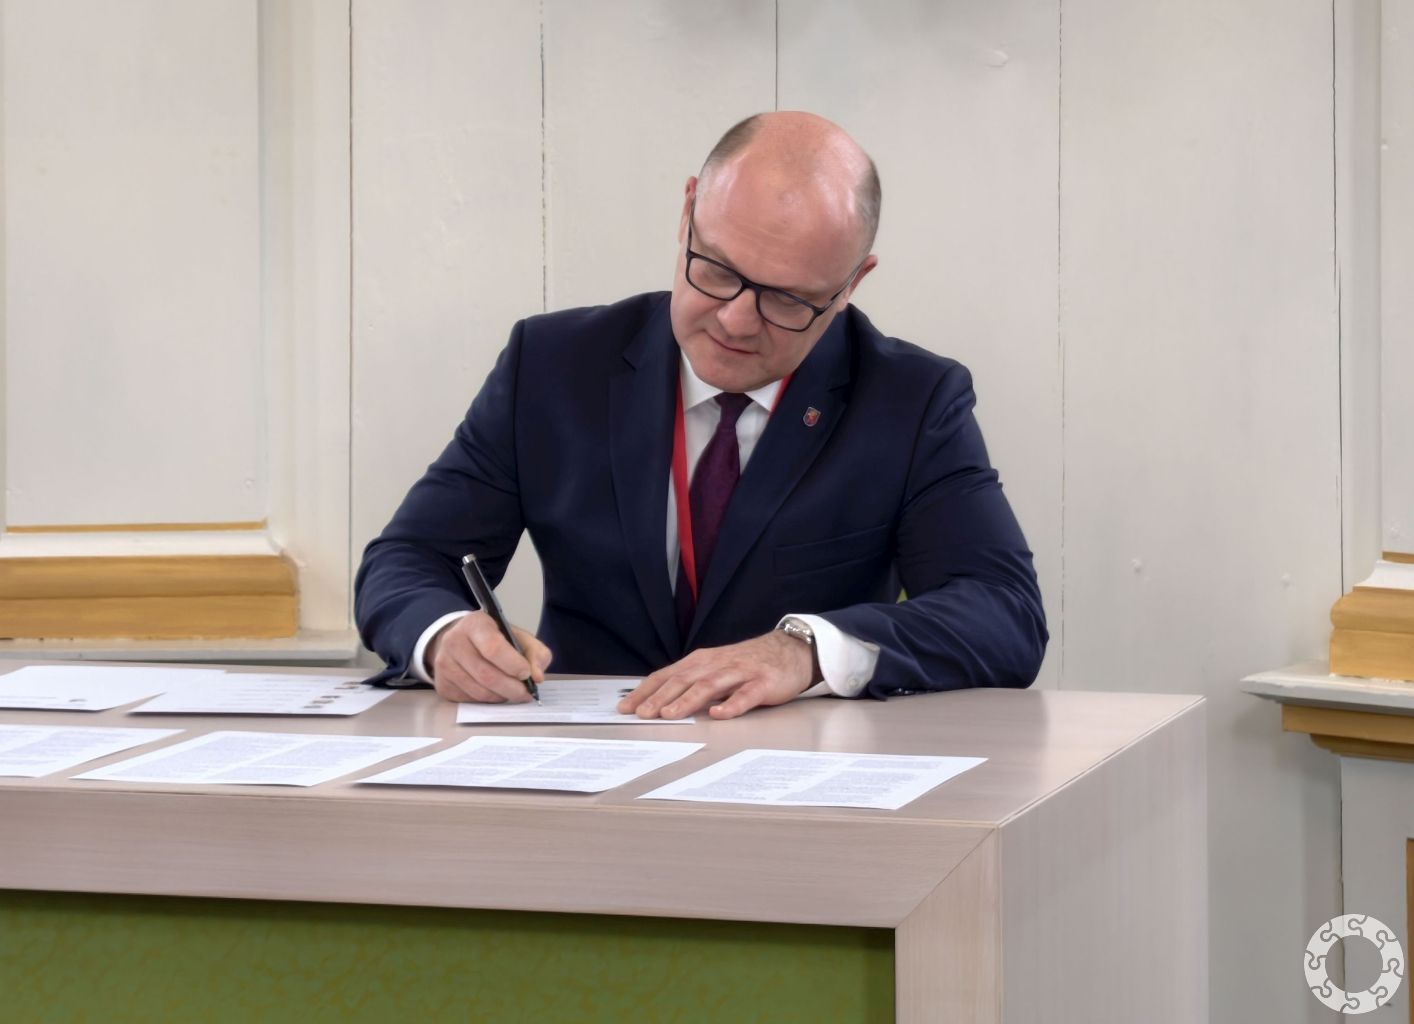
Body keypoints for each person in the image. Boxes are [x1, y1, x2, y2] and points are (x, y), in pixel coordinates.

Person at [355, 110, 1046, 720]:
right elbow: (408, 558)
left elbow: (1004, 612)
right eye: (715, 269)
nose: (736, 320)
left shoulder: (911, 400)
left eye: (787, 299)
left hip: (796, 778)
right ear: (687, 212)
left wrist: (803, 651)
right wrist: (443, 636)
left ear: (849, 285)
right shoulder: (553, 366)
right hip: (581, 762)